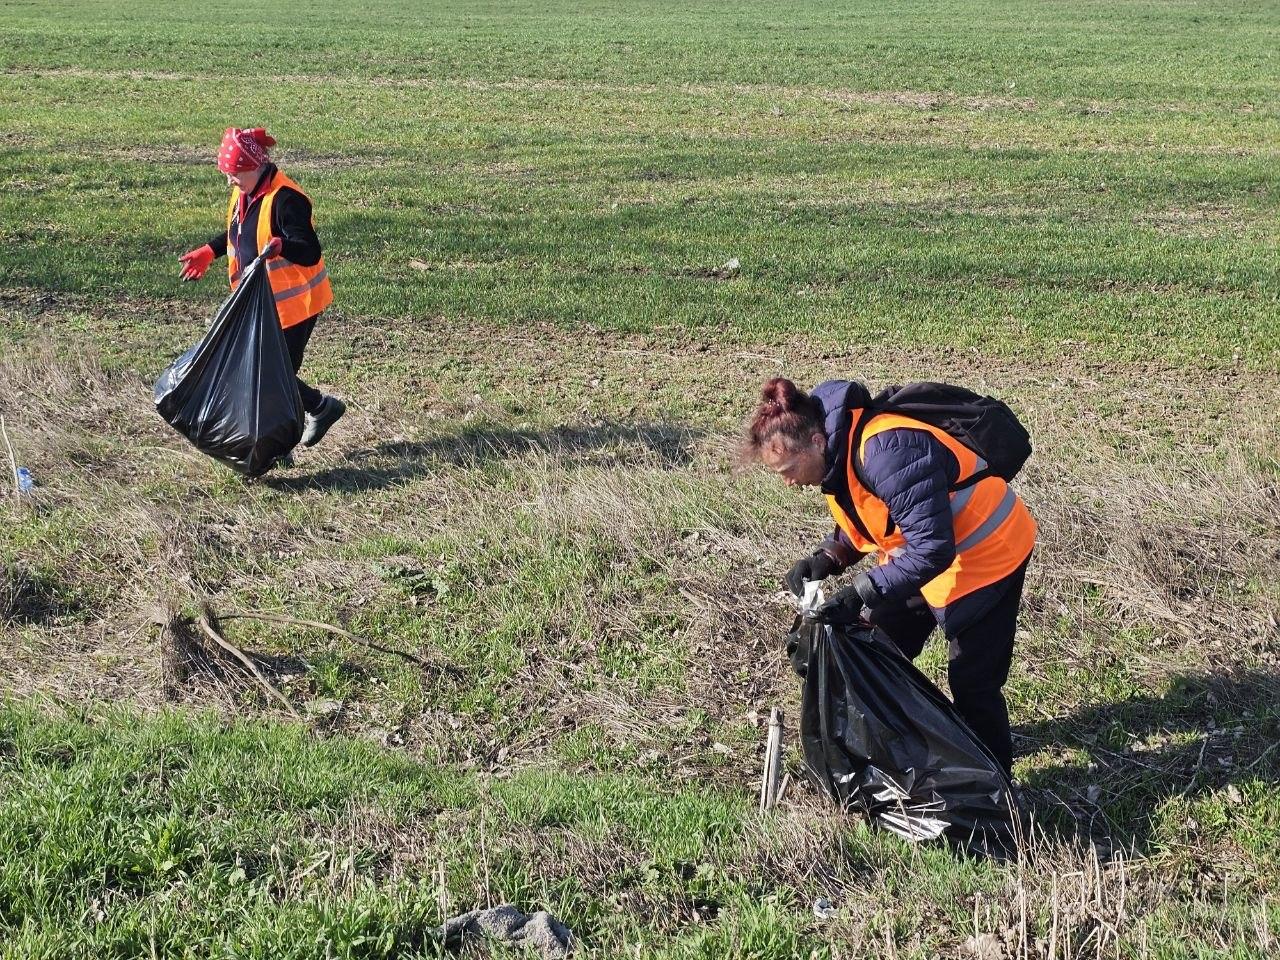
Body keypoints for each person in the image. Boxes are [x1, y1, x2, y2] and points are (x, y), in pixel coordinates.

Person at [744, 376, 1036, 774]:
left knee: (974, 681)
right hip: (926, 557)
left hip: (988, 552)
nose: (788, 482)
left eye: (788, 469)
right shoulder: (840, 454)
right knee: (877, 646)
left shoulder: (887, 451)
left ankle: (993, 784)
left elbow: (932, 548)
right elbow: (876, 511)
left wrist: (861, 592)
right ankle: (906, 751)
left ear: (816, 441)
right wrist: (830, 555)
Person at [178, 126, 345, 453]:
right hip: (261, 306)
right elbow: (240, 231)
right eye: (227, 174)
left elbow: (310, 251)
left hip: (295, 307)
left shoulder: (286, 200)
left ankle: (290, 439)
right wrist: (210, 251)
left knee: (270, 380)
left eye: (233, 173)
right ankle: (315, 414)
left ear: (254, 166)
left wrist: (282, 245)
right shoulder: (246, 191)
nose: (229, 181)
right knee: (266, 377)